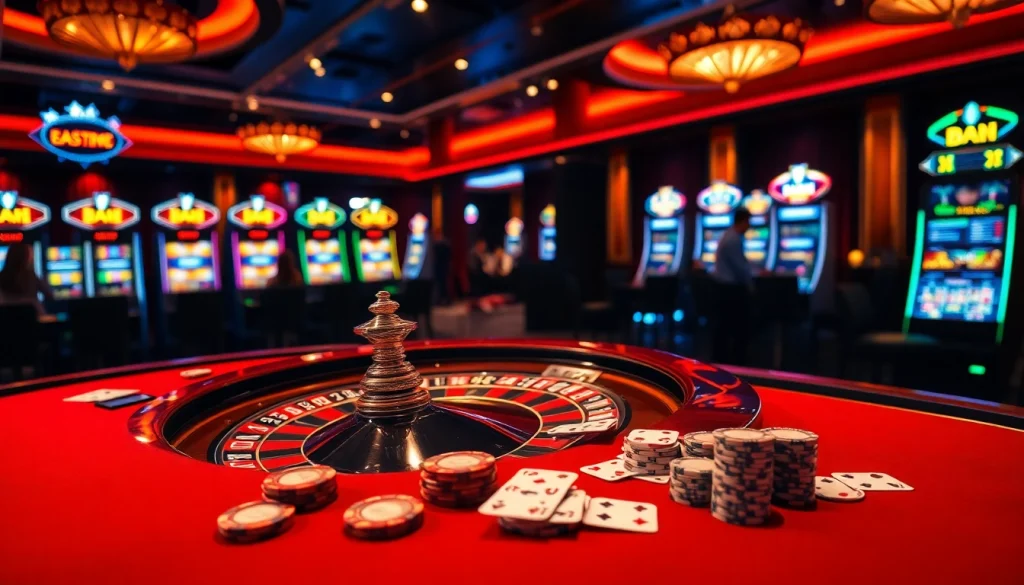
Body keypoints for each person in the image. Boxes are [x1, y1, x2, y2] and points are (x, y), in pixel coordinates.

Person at [710, 207, 754, 364]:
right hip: (730, 290)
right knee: (737, 328)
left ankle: (722, 360)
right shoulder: (733, 239)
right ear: (742, 221)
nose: (749, 226)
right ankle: (737, 363)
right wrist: (751, 284)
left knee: (724, 327)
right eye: (748, 222)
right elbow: (741, 268)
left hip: (722, 288)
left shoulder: (728, 236)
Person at [0, 242, 52, 316]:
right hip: (33, 319)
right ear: (26, 257)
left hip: (6, 321)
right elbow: (49, 295)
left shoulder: (2, 276)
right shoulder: (31, 276)